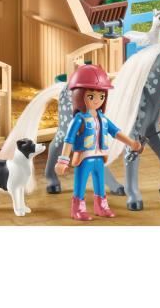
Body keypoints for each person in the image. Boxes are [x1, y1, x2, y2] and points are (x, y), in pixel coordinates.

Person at [55, 63, 142, 220]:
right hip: (84, 157)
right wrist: (63, 160)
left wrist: (131, 143)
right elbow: (69, 139)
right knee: (80, 184)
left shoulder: (103, 118)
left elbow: (116, 132)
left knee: (100, 184)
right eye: (91, 96)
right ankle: (77, 208)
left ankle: (101, 206)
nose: (97, 100)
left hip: (100, 157)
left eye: (101, 96)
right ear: (79, 96)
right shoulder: (78, 119)